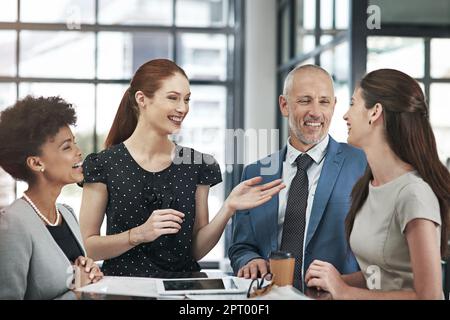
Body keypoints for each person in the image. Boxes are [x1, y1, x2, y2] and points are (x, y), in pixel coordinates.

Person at [79, 58, 285, 277]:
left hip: (183, 290)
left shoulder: (197, 164)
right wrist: (138, 234)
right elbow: (87, 246)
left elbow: (195, 251)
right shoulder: (103, 164)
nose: (182, 108)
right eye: (173, 98)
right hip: (124, 291)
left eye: (186, 99)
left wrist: (228, 208)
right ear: (142, 99)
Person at [304, 68, 450, 299]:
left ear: (375, 112)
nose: (345, 116)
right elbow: (382, 273)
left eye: (353, 104)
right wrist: (334, 281)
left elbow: (429, 296)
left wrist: (344, 291)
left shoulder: (413, 194)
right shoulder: (369, 185)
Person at [229, 64, 367, 290]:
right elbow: (241, 246)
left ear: (333, 106)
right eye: (305, 101)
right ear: (284, 105)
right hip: (269, 297)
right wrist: (249, 260)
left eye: (324, 102)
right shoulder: (255, 173)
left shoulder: (361, 164)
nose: (315, 112)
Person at [0, 96, 103, 300]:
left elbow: (75, 278)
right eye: (67, 147)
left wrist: (89, 272)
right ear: (36, 163)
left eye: (74, 143)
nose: (78, 151)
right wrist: (77, 293)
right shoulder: (12, 224)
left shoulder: (66, 213)